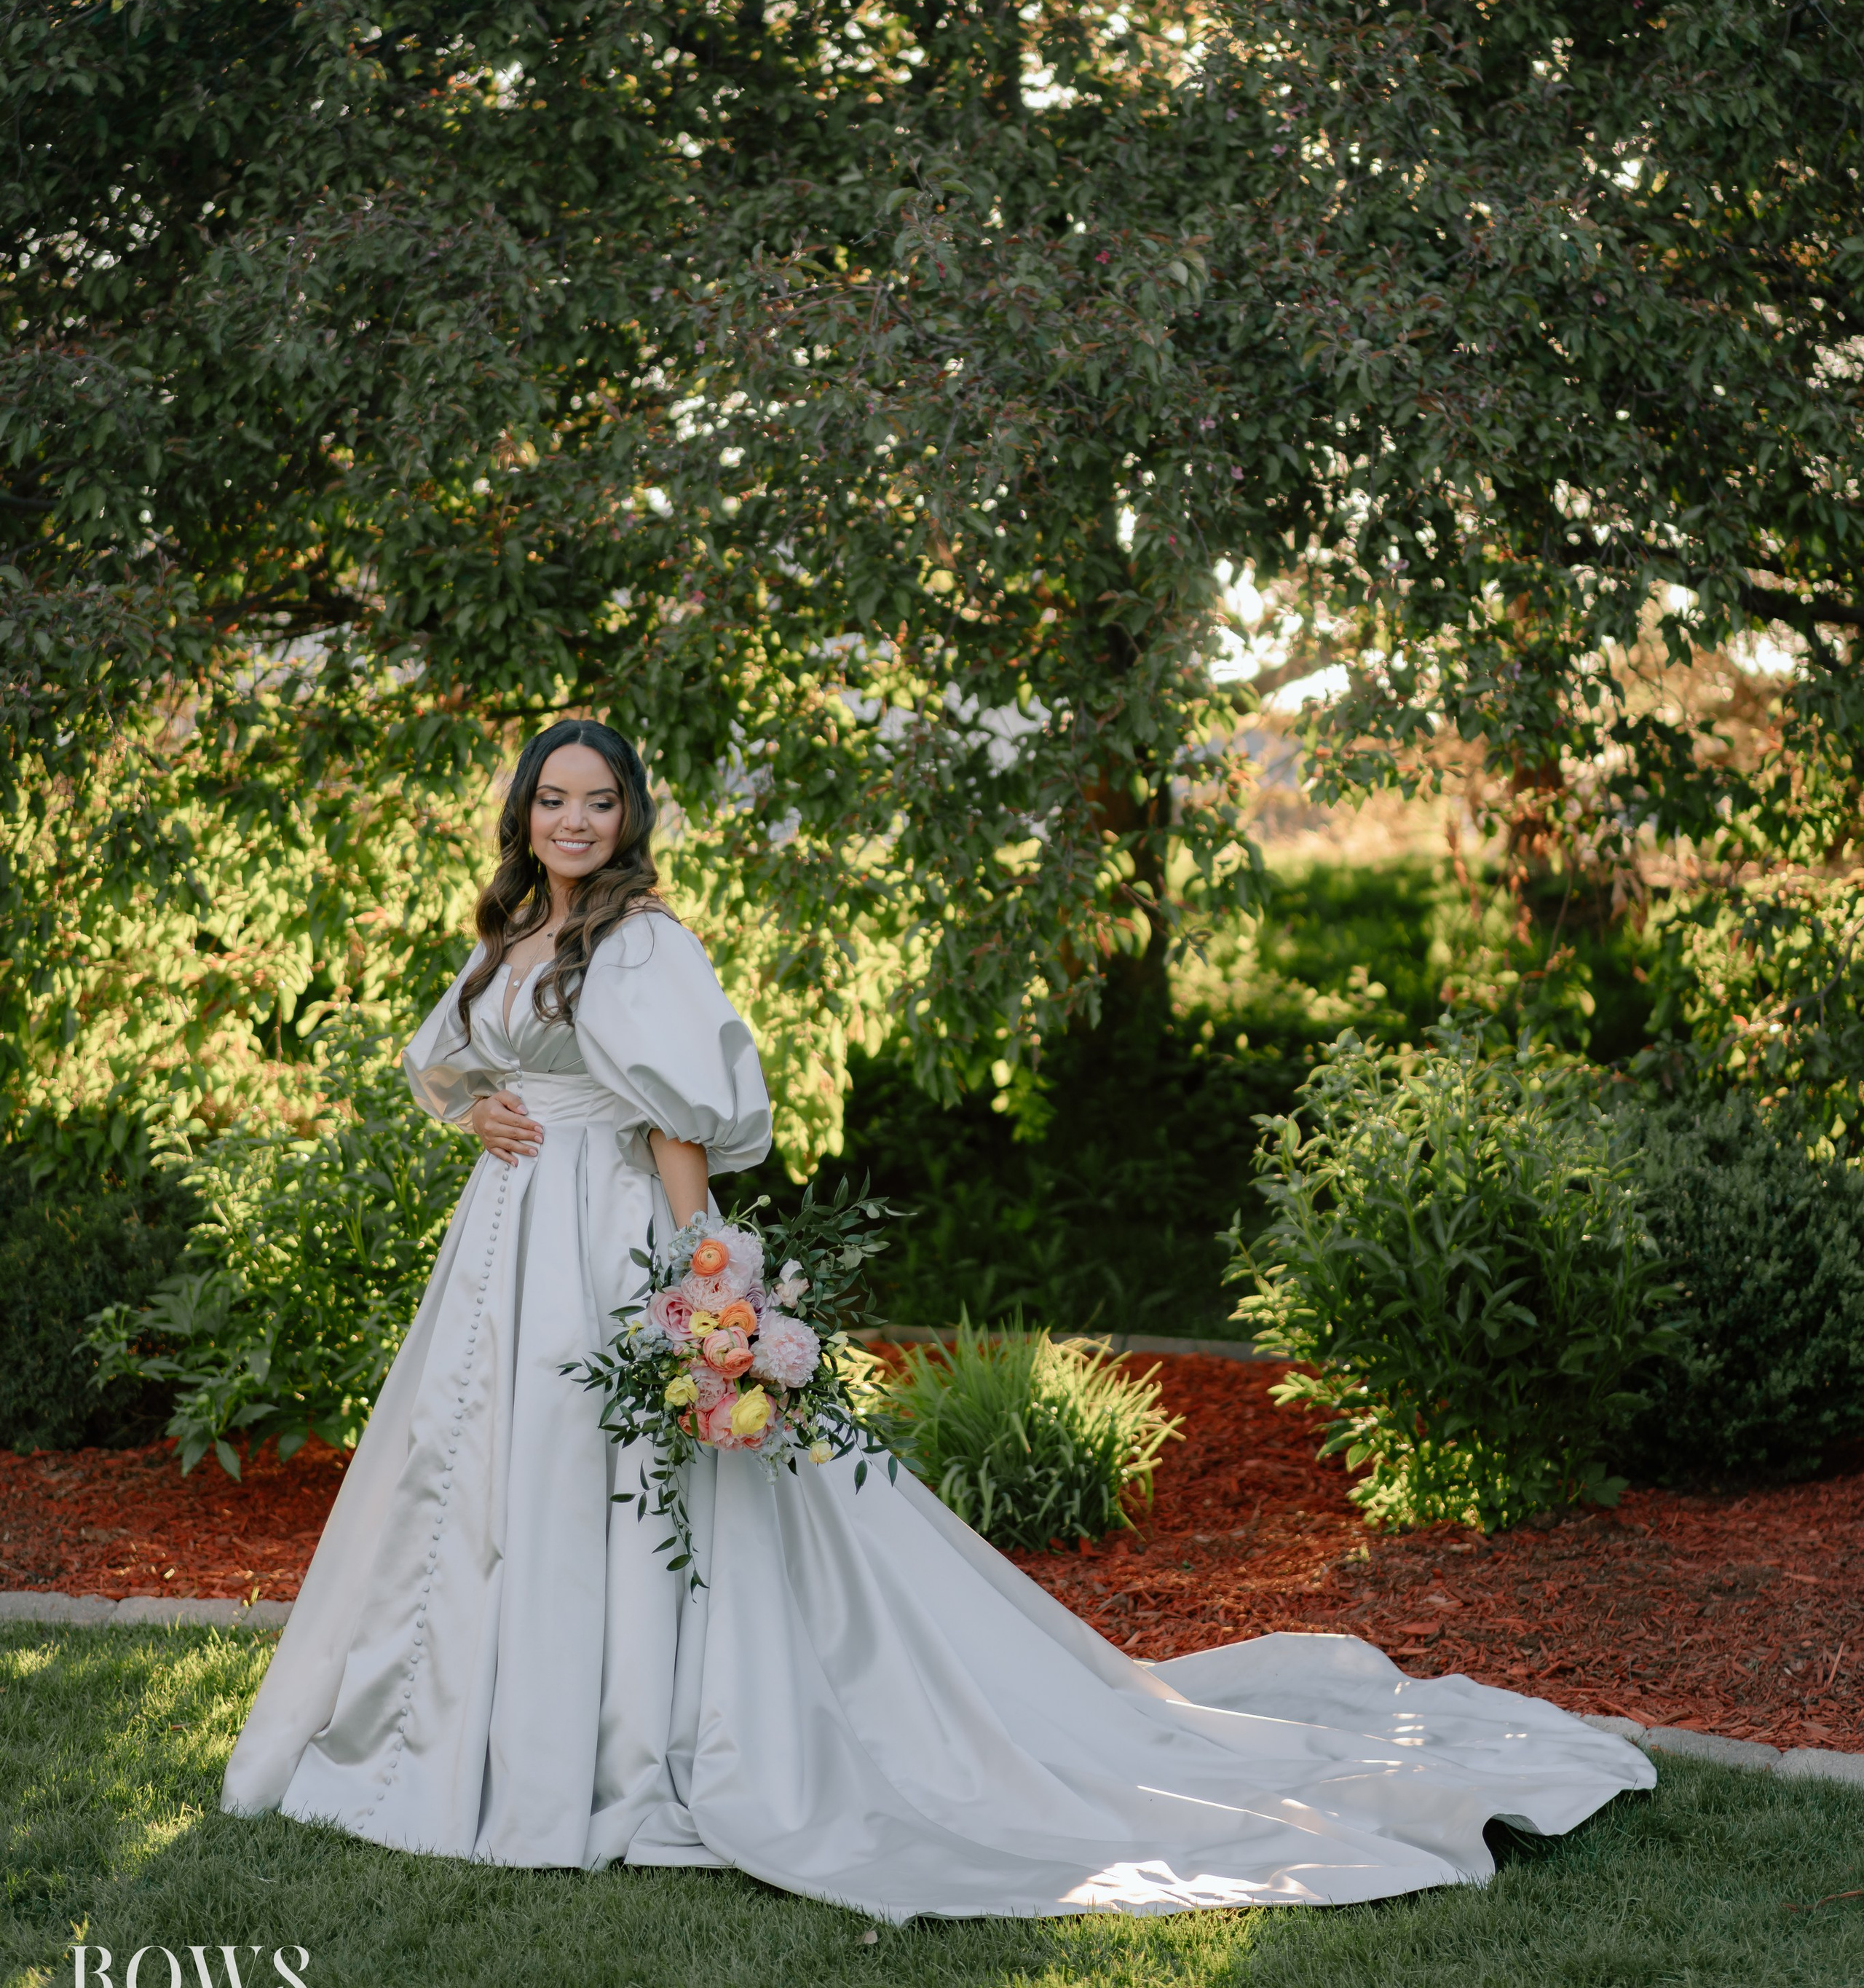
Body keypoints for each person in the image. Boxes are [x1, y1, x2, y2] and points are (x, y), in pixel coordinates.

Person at [222, 717, 1653, 1915]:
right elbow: (447, 1059)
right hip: (501, 1252)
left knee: (607, 1483)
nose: (574, 819)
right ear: (522, 814)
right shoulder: (510, 930)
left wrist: (703, 1289)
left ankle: (602, 1748)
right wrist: (480, 1112)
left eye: (599, 802)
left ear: (631, 819)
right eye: (553, 798)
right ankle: (477, 1727)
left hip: (605, 1240)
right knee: (489, 1484)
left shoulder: (643, 944)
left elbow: (676, 1132)